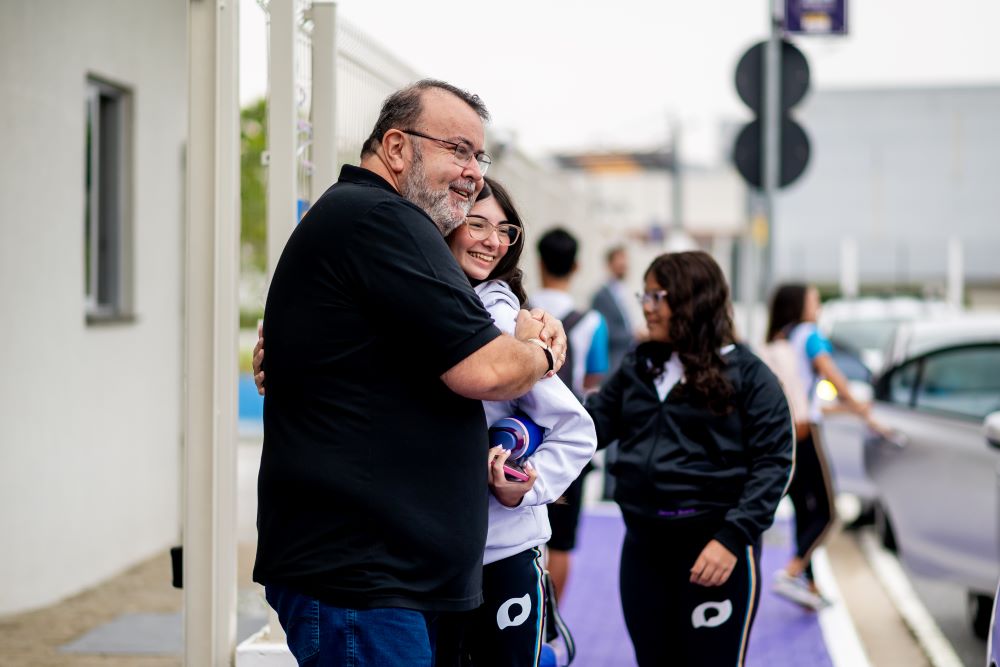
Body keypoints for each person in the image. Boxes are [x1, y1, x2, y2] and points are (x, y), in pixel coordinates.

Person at [251, 80, 568, 666]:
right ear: (397, 148)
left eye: (480, 155)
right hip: (361, 582)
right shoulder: (381, 219)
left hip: (380, 580)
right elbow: (485, 369)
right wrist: (542, 350)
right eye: (459, 150)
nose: (474, 173)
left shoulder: (370, 221)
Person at [585, 251, 794, 666]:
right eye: (643, 295)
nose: (645, 307)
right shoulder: (639, 367)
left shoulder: (750, 376)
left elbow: (775, 462)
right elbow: (588, 429)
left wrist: (732, 540)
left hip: (714, 554)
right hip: (643, 550)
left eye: (656, 296)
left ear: (692, 299)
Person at [442, 178, 596, 666]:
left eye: (504, 229)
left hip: (503, 551)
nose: (492, 239)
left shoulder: (505, 319)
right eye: (477, 223)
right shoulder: (421, 304)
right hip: (427, 557)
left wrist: (526, 487)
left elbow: (576, 429)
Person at [765, 283, 879, 611]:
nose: (818, 306)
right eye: (814, 300)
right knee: (828, 511)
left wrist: (844, 409)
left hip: (787, 430)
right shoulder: (810, 335)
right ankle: (792, 570)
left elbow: (804, 393)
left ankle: (809, 585)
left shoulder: (781, 339)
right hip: (807, 431)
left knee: (804, 509)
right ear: (800, 305)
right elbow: (831, 373)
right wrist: (860, 407)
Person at [529, 228, 609, 602]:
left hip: (518, 439)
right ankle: (550, 628)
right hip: (563, 444)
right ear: (576, 266)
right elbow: (594, 381)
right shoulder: (592, 322)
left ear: (538, 261)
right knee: (560, 543)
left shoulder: (519, 311)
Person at [590, 245, 637, 374]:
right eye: (619, 261)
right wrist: (633, 334)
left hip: (628, 359)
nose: (623, 264)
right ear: (610, 265)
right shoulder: (602, 296)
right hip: (613, 363)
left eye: (625, 260)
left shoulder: (624, 292)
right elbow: (604, 331)